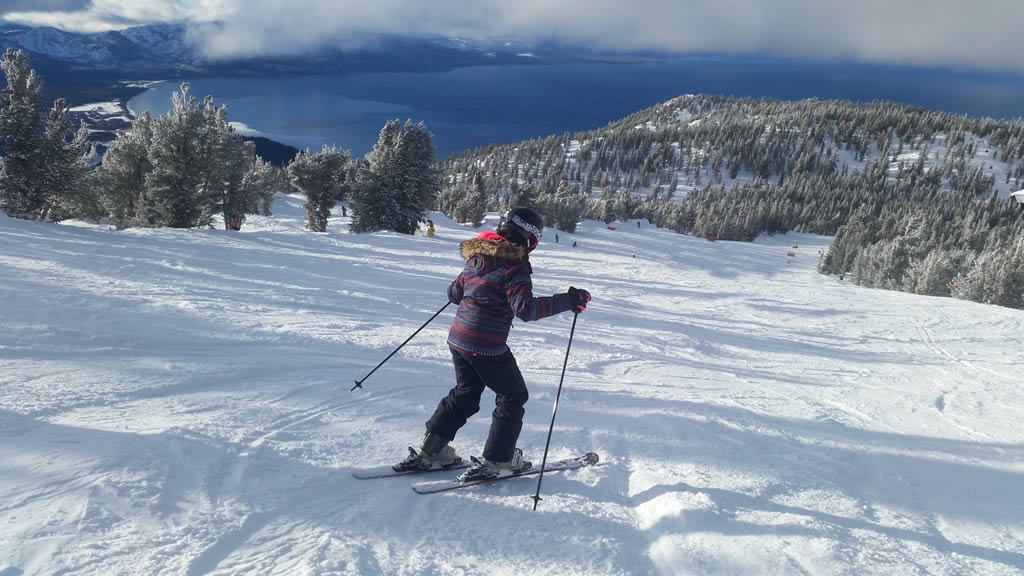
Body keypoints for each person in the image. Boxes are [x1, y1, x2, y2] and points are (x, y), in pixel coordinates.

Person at [394, 206, 592, 482]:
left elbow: (454, 293)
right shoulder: (516, 266)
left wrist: (478, 286)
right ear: (529, 237)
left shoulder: (478, 254)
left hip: (458, 339)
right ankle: (498, 459)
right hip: (486, 345)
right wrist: (568, 300)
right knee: (513, 396)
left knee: (465, 392)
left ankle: (431, 451)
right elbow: (526, 310)